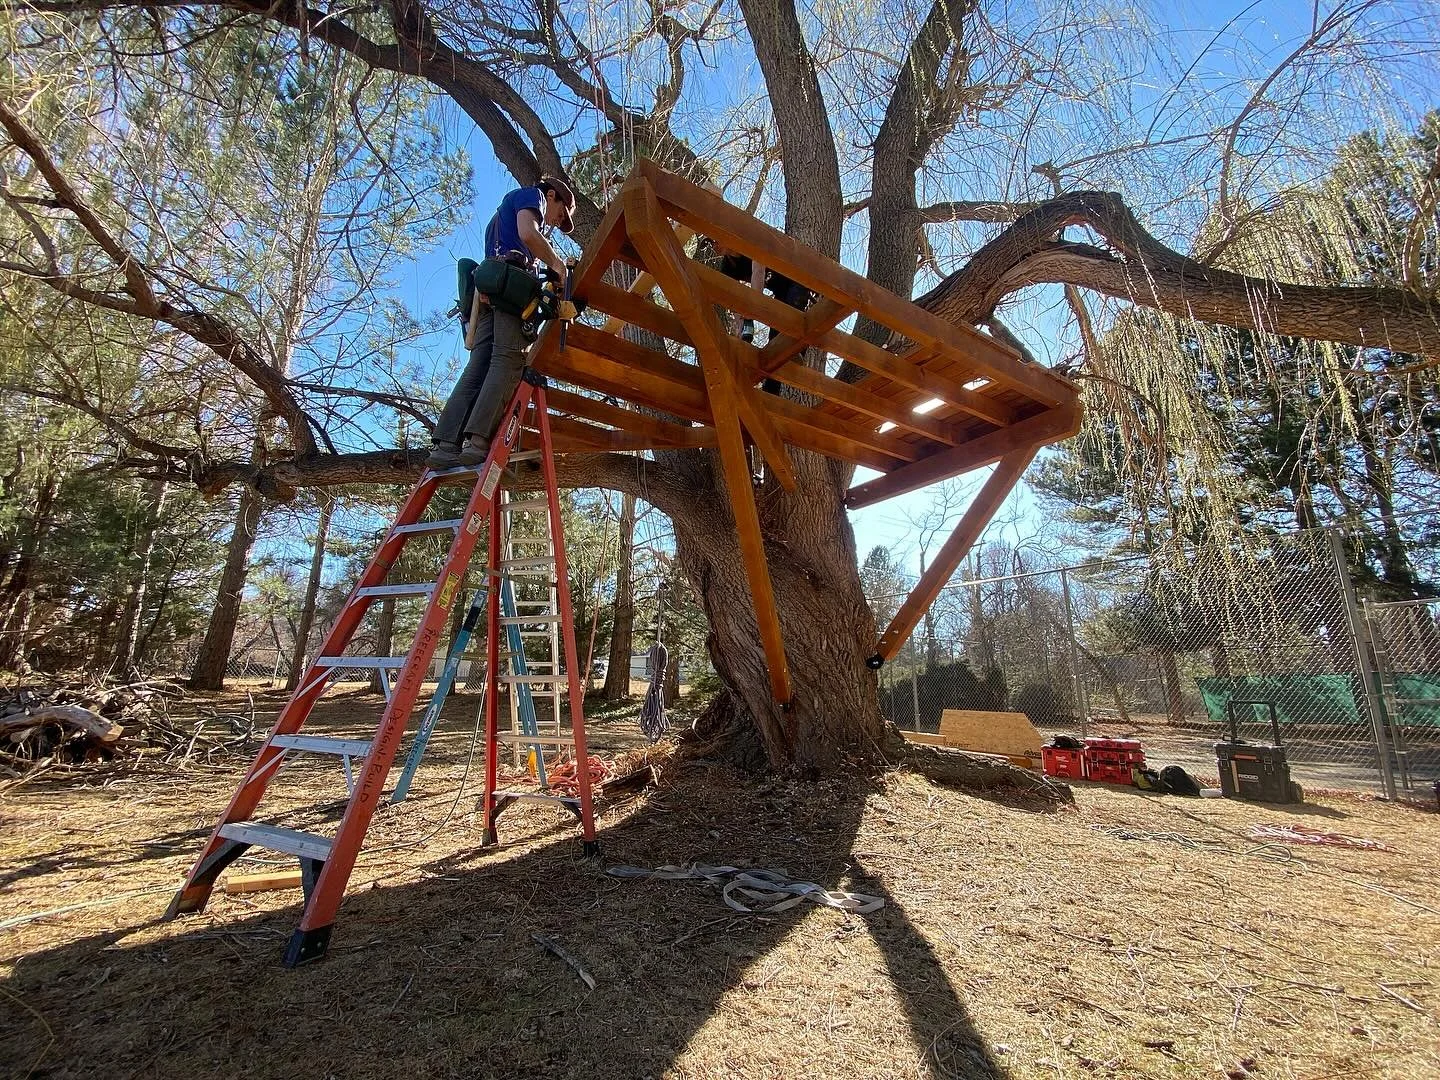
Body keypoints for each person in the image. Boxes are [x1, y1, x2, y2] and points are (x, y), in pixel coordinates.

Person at [428, 176, 576, 469]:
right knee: (506, 360)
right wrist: (558, 266)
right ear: (552, 196)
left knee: (479, 364)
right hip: (509, 290)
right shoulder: (532, 196)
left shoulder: (498, 219)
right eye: (560, 214)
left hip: (488, 293)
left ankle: (445, 444)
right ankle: (478, 440)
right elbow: (528, 233)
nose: (557, 223)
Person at [714, 244, 812, 394]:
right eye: (709, 242)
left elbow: (758, 273)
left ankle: (795, 351)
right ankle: (770, 393)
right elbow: (731, 297)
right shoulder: (727, 267)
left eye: (714, 240)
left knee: (792, 314)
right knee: (774, 343)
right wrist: (740, 324)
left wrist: (751, 310)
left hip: (796, 278)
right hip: (780, 290)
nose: (713, 245)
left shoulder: (748, 242)